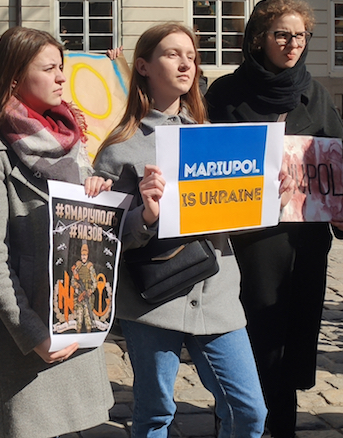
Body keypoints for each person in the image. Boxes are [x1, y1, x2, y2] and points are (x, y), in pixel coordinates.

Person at [93, 23, 268, 438]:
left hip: (217, 292)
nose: (186, 62)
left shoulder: (215, 138)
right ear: (143, 66)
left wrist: (261, 198)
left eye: (191, 55)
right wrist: (146, 215)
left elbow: (233, 218)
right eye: (173, 54)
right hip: (152, 302)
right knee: (155, 413)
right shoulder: (120, 147)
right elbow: (105, 235)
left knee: (250, 411)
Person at [205, 0, 343, 438]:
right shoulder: (225, 95)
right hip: (248, 243)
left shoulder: (315, 94)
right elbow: (204, 165)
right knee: (248, 339)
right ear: (258, 38)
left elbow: (340, 171)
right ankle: (237, 422)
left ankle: (282, 428)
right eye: (281, 34)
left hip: (304, 247)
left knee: (289, 344)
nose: (292, 44)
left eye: (299, 35)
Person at [0, 26, 114, 438]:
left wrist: (97, 197)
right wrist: (33, 334)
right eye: (49, 68)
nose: (61, 78)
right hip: (29, 337)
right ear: (14, 78)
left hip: (75, 319)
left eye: (62, 68)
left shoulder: (71, 139)